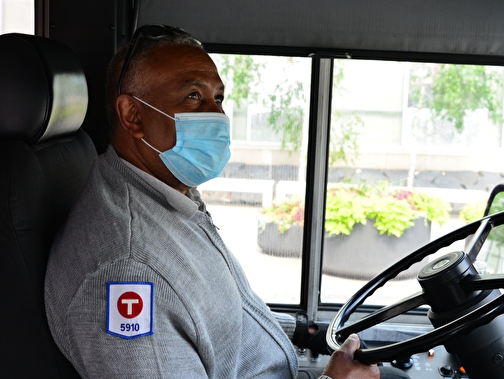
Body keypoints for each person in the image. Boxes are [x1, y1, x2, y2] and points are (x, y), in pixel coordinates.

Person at [44, 24, 379, 379]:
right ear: (133, 115)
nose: (217, 115)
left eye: (217, 98)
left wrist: (299, 331)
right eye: (192, 96)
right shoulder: (128, 272)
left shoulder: (163, 192)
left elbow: (208, 308)